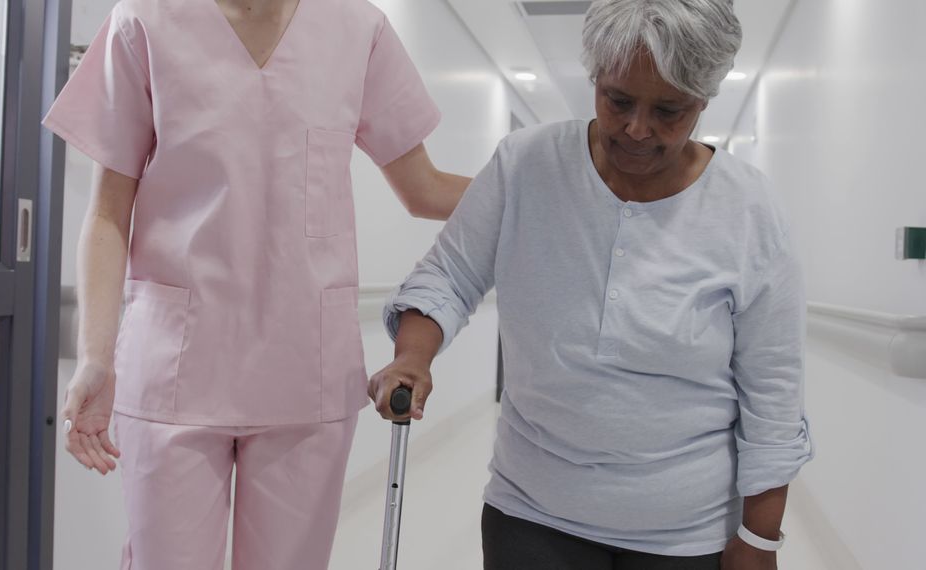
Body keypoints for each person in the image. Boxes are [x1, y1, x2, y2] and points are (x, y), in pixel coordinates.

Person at [368, 1, 813, 568]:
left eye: (669, 111)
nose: (636, 128)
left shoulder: (749, 209)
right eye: (618, 100)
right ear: (595, 79)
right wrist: (412, 356)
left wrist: (759, 538)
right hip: (532, 512)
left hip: (686, 530)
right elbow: (449, 275)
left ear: (703, 101)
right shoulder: (525, 165)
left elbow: (772, 390)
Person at [43, 0, 471, 568]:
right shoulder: (146, 20)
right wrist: (96, 356)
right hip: (178, 368)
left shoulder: (356, 27)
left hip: (304, 371)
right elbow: (107, 213)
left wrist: (539, 185)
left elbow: (424, 189)